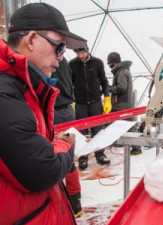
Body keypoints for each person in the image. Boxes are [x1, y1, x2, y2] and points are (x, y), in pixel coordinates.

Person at [0, 3, 86, 225]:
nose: (61, 57)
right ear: (30, 40)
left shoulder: (22, 85)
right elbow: (42, 169)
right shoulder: (5, 91)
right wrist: (65, 144)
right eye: (59, 47)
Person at [69, 45, 112, 170]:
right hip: (80, 102)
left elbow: (104, 81)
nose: (81, 56)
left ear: (87, 51)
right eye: (78, 53)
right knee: (82, 131)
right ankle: (83, 157)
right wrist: (72, 100)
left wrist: (107, 98)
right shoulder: (72, 64)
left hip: (95, 101)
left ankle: (100, 154)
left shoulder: (97, 63)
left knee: (98, 129)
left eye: (82, 53)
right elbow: (70, 83)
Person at [52, 57, 82, 217]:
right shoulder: (64, 61)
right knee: (69, 157)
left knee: (55, 156)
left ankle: (63, 205)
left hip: (55, 111)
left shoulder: (45, 60)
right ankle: (76, 204)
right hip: (68, 110)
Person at [107, 52, 141, 155]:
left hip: (122, 104)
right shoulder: (123, 70)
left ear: (114, 62)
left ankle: (136, 147)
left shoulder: (121, 72)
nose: (109, 65)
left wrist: (109, 89)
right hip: (124, 103)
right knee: (126, 125)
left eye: (110, 63)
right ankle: (134, 147)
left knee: (127, 125)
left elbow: (121, 88)